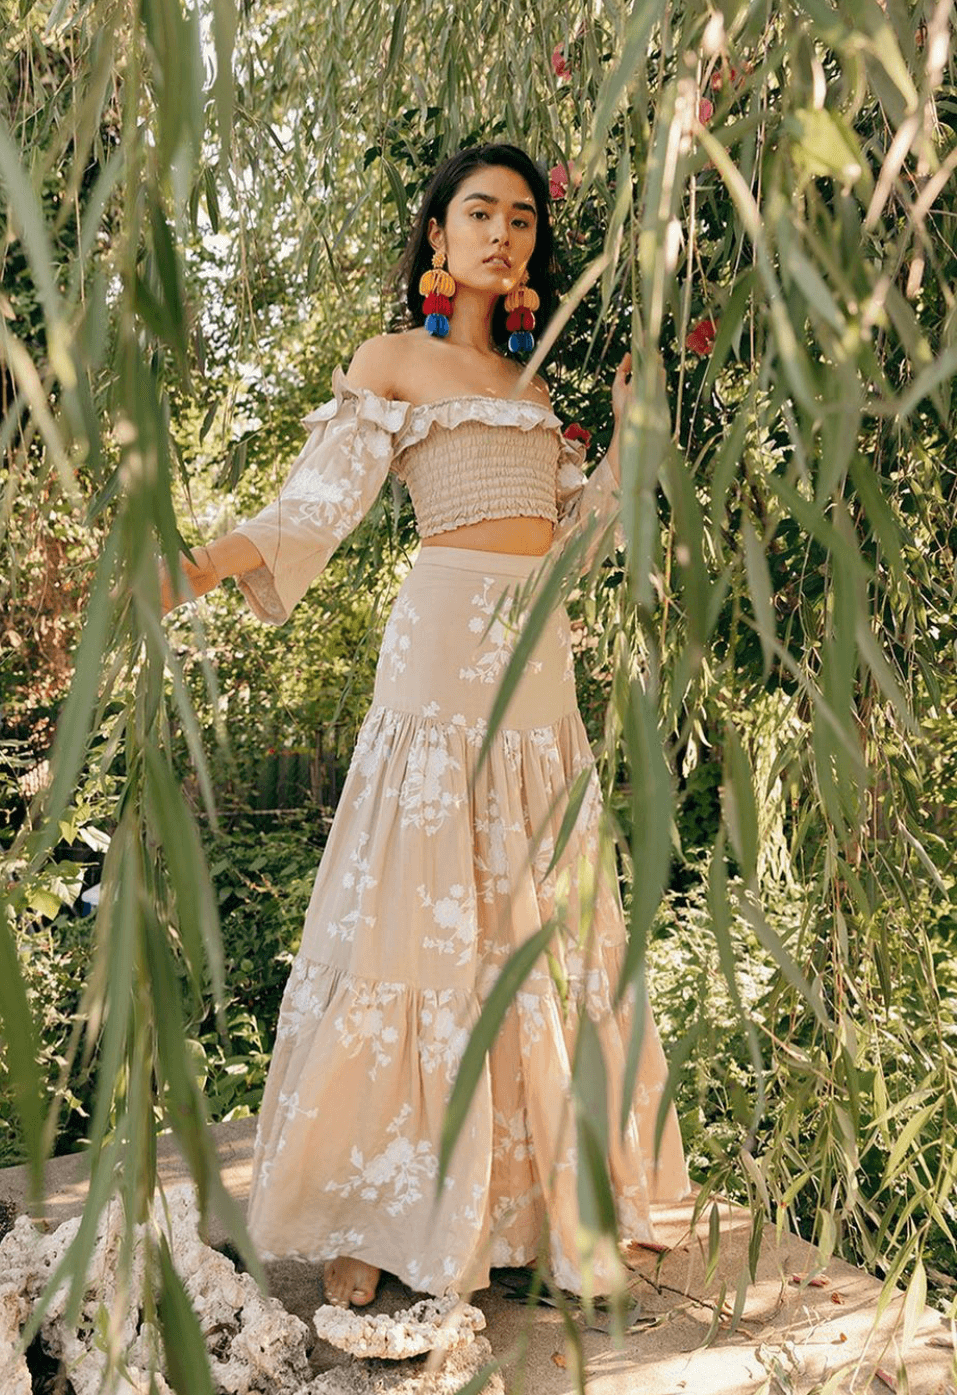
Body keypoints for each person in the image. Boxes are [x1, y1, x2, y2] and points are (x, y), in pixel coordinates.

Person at [161, 143, 689, 1310]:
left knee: (536, 925)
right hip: (442, 650)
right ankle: (378, 1213)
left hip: (538, 668)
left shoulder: (539, 388)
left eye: (521, 219)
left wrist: (626, 446)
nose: (503, 233)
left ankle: (537, 1207)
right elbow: (314, 506)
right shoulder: (393, 360)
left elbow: (572, 547)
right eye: (478, 212)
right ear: (438, 236)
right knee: (415, 918)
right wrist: (183, 572)